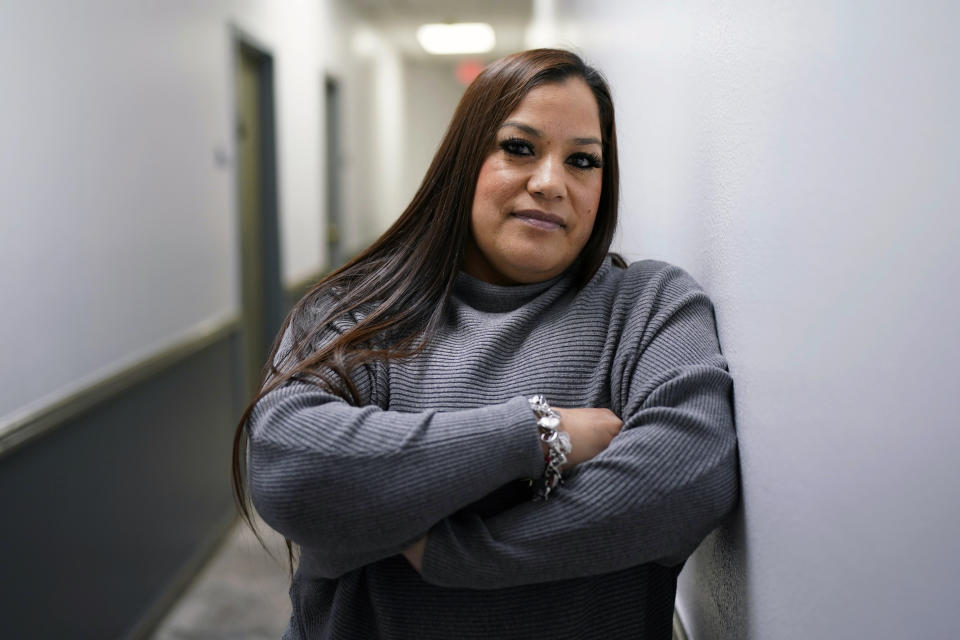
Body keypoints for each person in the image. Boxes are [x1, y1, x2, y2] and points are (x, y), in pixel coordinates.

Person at [232, 48, 739, 640]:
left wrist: (459, 549)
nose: (551, 183)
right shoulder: (358, 307)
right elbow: (292, 469)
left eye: (583, 160)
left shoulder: (649, 304)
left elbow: (688, 475)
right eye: (518, 148)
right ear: (464, 160)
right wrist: (544, 435)